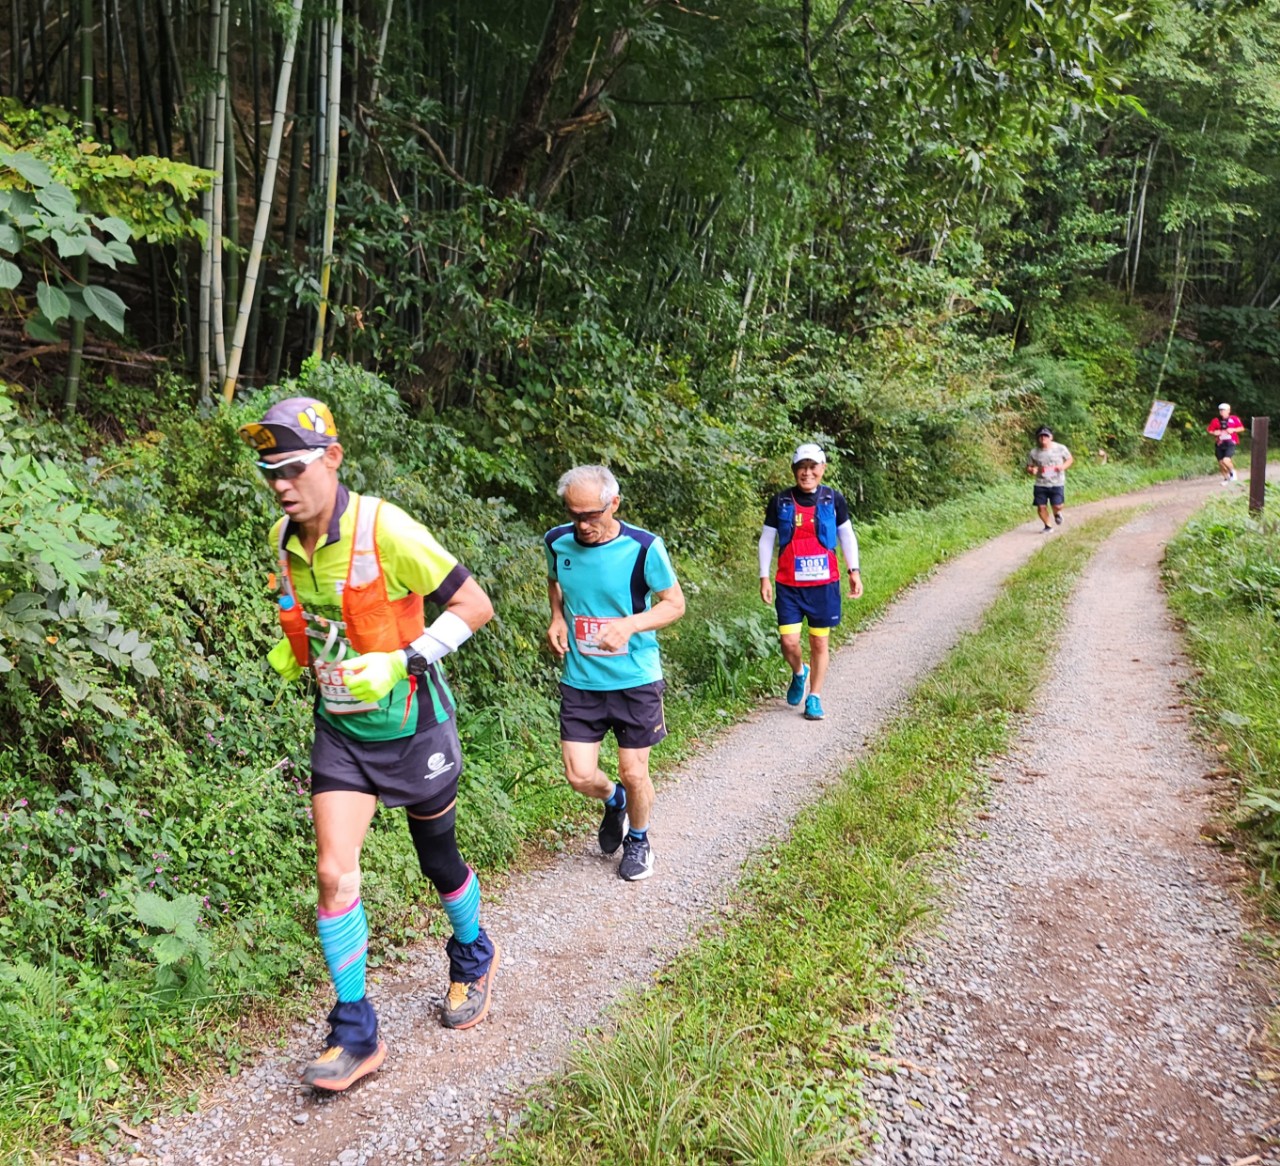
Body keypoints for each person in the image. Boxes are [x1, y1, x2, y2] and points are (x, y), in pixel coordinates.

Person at [239, 397, 499, 1094]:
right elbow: (317, 617)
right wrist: (297, 650)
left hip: (413, 725)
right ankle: (355, 1030)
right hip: (343, 731)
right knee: (333, 873)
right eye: (270, 474)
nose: (281, 485)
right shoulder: (282, 539)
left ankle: (472, 952)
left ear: (332, 458)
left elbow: (475, 606)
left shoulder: (386, 528)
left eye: (293, 469)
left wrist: (402, 660)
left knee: (436, 858)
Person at [543, 465, 686, 882]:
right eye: (574, 515)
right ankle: (614, 800)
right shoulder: (556, 541)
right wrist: (557, 617)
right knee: (579, 775)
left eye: (591, 515)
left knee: (634, 771)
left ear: (614, 504)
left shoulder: (644, 548)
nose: (582, 525)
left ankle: (638, 840)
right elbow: (555, 581)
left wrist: (630, 625)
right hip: (581, 680)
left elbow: (674, 604)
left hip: (635, 679)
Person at [758, 443, 863, 723]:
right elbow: (767, 539)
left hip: (823, 586)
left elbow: (847, 535)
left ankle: (814, 697)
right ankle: (798, 672)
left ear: (822, 469)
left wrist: (854, 570)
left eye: (812, 467)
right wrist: (764, 576)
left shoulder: (833, 499)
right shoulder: (780, 501)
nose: (807, 473)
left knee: (819, 642)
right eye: (801, 467)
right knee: (789, 641)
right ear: (794, 470)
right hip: (789, 586)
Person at [1025, 426, 1074, 532]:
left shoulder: (1060, 448)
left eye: (1046, 436)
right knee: (1041, 507)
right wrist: (1032, 470)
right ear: (1038, 438)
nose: (1043, 438)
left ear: (1051, 437)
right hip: (1040, 483)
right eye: (1041, 436)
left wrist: (1063, 467)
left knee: (1057, 505)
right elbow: (1029, 466)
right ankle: (1048, 526)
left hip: (1057, 482)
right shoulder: (1034, 452)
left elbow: (1070, 459)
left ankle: (1057, 513)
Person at [1207, 403, 1245, 484]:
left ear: (1228, 411)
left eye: (1224, 410)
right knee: (1221, 463)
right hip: (1220, 443)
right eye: (1220, 410)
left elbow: (1241, 428)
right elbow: (1210, 430)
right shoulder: (1215, 420)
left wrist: (1233, 430)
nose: (1222, 412)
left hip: (1230, 442)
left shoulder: (1234, 419)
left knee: (1226, 460)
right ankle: (1226, 478)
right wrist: (1215, 432)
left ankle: (1233, 473)